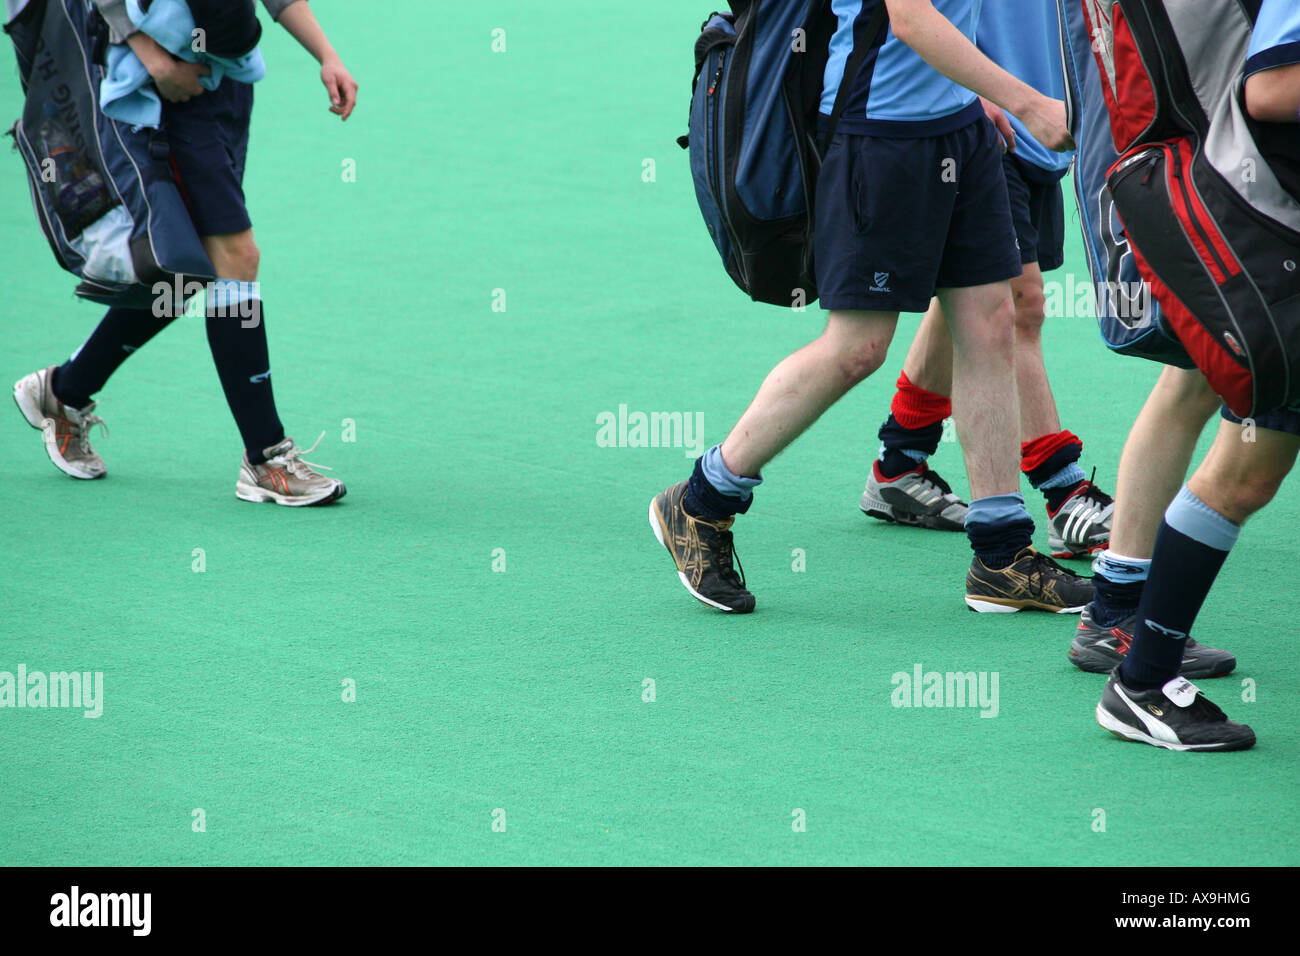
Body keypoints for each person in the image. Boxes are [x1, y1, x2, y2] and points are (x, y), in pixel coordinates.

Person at [649, 0, 1091, 615]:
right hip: (878, 139)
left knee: (991, 324)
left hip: (959, 126)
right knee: (856, 348)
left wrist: (970, 93)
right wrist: (1028, 102)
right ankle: (702, 499)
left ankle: (1001, 556)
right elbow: (909, 17)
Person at [12, 0, 358, 506]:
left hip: (227, 79)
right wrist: (153, 57)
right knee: (235, 257)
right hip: (165, 92)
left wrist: (326, 54)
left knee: (185, 268)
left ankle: (64, 391)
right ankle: (265, 458)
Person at [1093, 0, 1300, 750]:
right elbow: (1270, 88)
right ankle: (1138, 667)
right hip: (1270, 224)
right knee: (1243, 469)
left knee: (1246, 469)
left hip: (1259, 224)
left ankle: (1136, 663)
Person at [860, 0, 1114, 562]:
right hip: (978, 114)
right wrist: (970, 95)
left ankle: (899, 463)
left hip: (1047, 111)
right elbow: (912, 16)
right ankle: (1063, 490)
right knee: (1016, 303)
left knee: (971, 298)